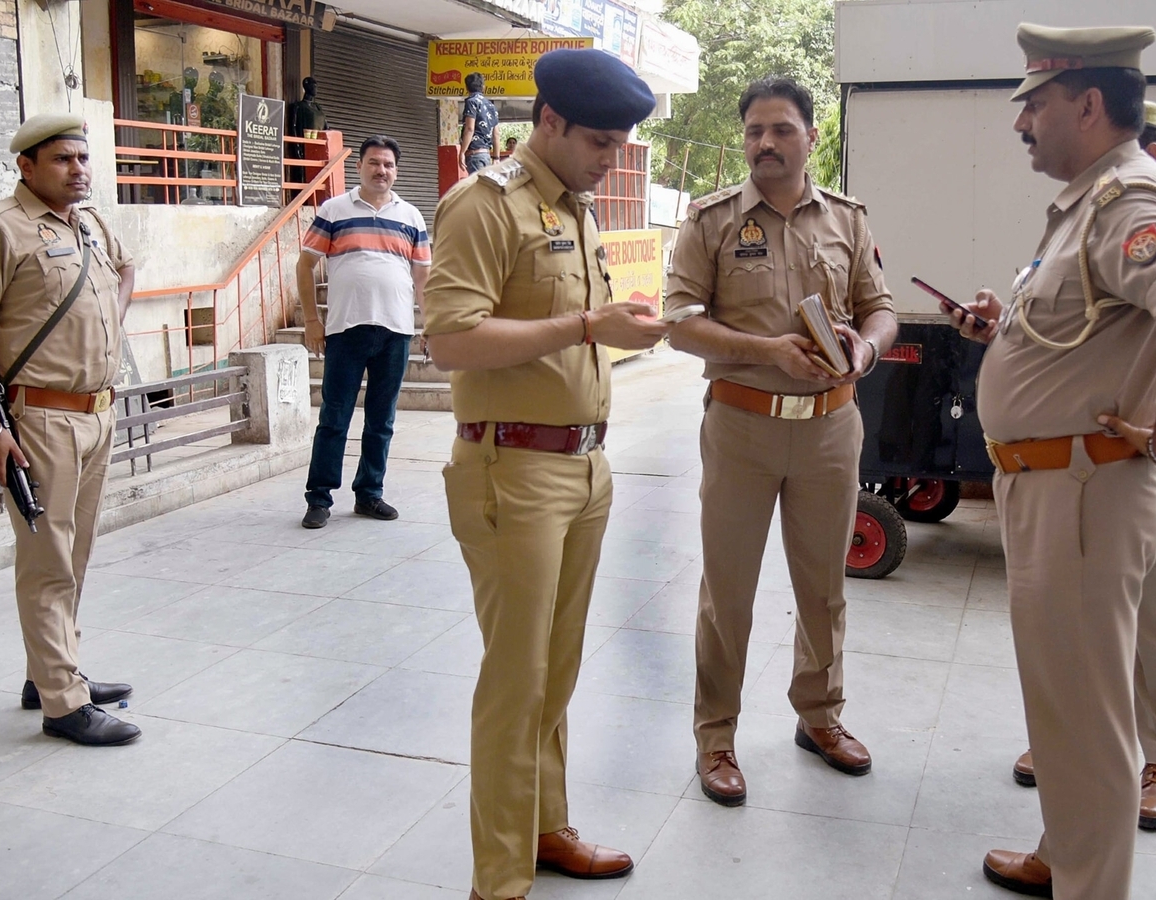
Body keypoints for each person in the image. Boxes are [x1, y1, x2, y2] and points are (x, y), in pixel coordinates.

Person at [940, 26, 1156, 900]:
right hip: (1057, 486)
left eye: (1033, 103)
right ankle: (1065, 853)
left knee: (1090, 714)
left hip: (1084, 490)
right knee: (1063, 704)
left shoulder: (1127, 200)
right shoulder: (1086, 203)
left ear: (1088, 104)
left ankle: (1089, 883)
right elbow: (1087, 336)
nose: (1022, 122)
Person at [422, 48, 669, 900]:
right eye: (600, 141)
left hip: (584, 467)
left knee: (555, 668)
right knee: (515, 678)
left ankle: (544, 825)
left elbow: (576, 320)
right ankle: (499, 880)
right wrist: (585, 325)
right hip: (512, 468)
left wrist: (613, 323)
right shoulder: (484, 205)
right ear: (551, 122)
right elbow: (450, 339)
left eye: (620, 145)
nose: (611, 159)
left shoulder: (576, 206)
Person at [1004, 101, 1156, 841]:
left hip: (1135, 456)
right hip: (1071, 461)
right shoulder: (1077, 223)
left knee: (1151, 613)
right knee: (1077, 626)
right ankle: (1074, 751)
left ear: (1146, 148)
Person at [665, 76, 898, 807]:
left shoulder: (849, 220)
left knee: (824, 588)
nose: (765, 143)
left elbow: (881, 308)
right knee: (727, 592)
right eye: (754, 132)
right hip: (741, 426)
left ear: (811, 136)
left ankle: (820, 717)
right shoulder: (712, 220)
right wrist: (768, 351)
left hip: (831, 426)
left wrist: (865, 351)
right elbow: (677, 319)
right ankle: (716, 737)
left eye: (781, 130)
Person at [0, 114, 140, 746]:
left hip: (96, 412)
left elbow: (123, 270)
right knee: (47, 558)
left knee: (75, 551)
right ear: (26, 166)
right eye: (63, 159)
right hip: (41, 419)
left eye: (83, 159)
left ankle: (51, 671)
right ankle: (61, 702)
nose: (78, 169)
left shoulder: (89, 222)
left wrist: (101, 320)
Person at [297, 135, 430, 527]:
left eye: (388, 164)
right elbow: (305, 266)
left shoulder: (411, 216)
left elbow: (422, 277)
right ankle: (318, 498)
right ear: (360, 167)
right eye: (374, 163)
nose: (381, 170)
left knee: (381, 419)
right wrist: (310, 320)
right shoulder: (334, 209)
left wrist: (432, 324)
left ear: (396, 170)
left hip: (396, 331)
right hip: (345, 329)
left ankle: (370, 494)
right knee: (334, 416)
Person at [459, 72, 500, 175]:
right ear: (483, 87)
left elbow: (469, 129)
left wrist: (462, 152)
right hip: (486, 155)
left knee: (477, 189)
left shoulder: (471, 102)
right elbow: (496, 134)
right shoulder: (491, 106)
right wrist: (496, 157)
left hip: (474, 155)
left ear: (467, 88)